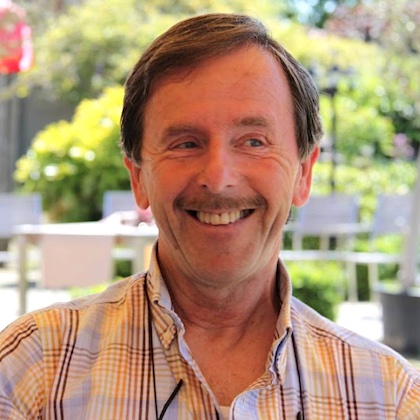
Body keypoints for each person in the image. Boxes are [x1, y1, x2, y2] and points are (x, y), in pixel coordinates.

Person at [0, 13, 419, 420]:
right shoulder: (31, 372)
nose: (218, 179)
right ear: (139, 178)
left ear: (303, 174)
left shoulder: (389, 397)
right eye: (185, 143)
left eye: (253, 141)